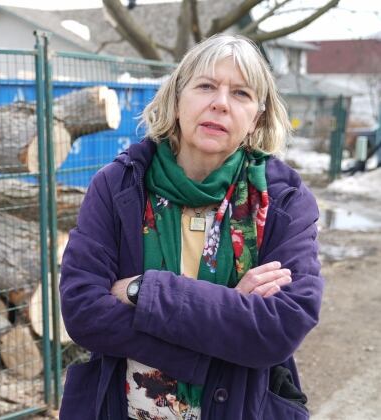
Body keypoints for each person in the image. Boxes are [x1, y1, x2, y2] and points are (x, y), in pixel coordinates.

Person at [59, 34, 322, 420]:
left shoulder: (283, 201)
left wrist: (143, 289)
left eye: (241, 94)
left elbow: (281, 325)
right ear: (177, 99)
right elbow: (82, 310)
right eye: (206, 86)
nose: (220, 102)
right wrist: (228, 314)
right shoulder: (119, 186)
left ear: (257, 118)